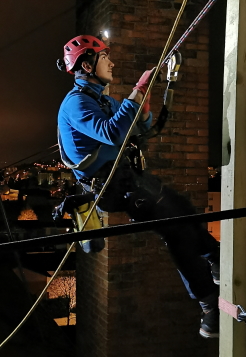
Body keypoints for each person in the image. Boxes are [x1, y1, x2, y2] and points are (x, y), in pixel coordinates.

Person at [56, 34, 220, 338]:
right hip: (113, 188)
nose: (112, 62)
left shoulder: (101, 99)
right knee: (176, 230)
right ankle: (210, 307)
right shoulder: (76, 104)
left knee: (182, 208)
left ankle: (215, 261)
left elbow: (139, 129)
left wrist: (143, 111)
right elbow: (112, 131)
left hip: (129, 180)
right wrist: (138, 90)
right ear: (88, 64)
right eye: (106, 58)